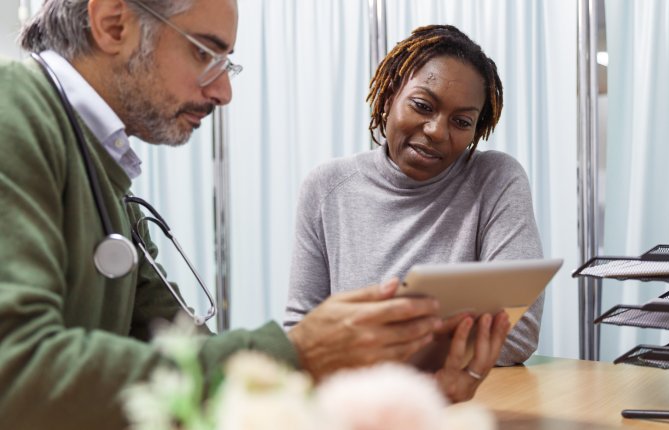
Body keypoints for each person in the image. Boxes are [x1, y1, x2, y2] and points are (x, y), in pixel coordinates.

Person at [0, 1, 481, 429]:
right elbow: (16, 373)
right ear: (113, 23)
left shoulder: (101, 168)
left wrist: (385, 388)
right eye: (205, 54)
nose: (223, 91)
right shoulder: (13, 112)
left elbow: (183, 355)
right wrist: (301, 353)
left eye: (226, 63)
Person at [284, 24, 544, 394]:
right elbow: (300, 335)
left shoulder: (496, 180)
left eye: (462, 122)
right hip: (354, 405)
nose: (438, 131)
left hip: (464, 403)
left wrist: (359, 347)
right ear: (390, 96)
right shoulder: (326, 187)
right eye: (423, 105)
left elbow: (518, 332)